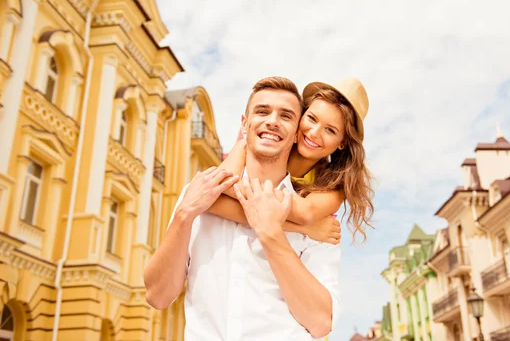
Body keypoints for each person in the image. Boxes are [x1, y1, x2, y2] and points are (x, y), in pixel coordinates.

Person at [144, 77, 344, 340]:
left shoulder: (319, 224)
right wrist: (183, 215)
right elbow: (158, 296)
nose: (272, 120)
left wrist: (271, 233)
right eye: (262, 111)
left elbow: (320, 322)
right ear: (244, 122)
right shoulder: (198, 197)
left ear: (297, 134)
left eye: (285, 116)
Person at [207, 77, 374, 243]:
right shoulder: (254, 147)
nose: (314, 133)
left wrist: (236, 188)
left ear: (343, 143)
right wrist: (303, 228)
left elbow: (306, 213)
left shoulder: (332, 185)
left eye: (330, 130)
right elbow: (214, 195)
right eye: (312, 119)